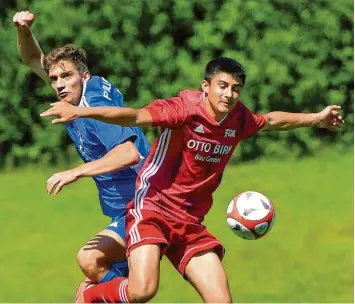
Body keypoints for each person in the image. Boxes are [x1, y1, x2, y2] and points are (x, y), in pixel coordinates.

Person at [41, 55, 344, 303]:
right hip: (153, 210)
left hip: (189, 222)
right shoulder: (183, 109)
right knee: (142, 291)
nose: (229, 94)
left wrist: (317, 118)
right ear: (206, 86)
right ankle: (92, 295)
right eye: (222, 86)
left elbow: (272, 121)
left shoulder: (238, 118)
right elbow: (133, 116)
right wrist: (82, 114)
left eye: (236, 88)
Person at [13, 10, 151, 299]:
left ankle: (96, 294)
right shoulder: (74, 96)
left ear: (84, 76)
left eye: (67, 76)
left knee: (90, 261)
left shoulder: (93, 104)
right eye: (54, 79)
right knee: (121, 287)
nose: (60, 84)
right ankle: (100, 292)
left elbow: (128, 154)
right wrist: (24, 30)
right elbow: (30, 59)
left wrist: (74, 171)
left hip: (145, 204)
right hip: (122, 208)